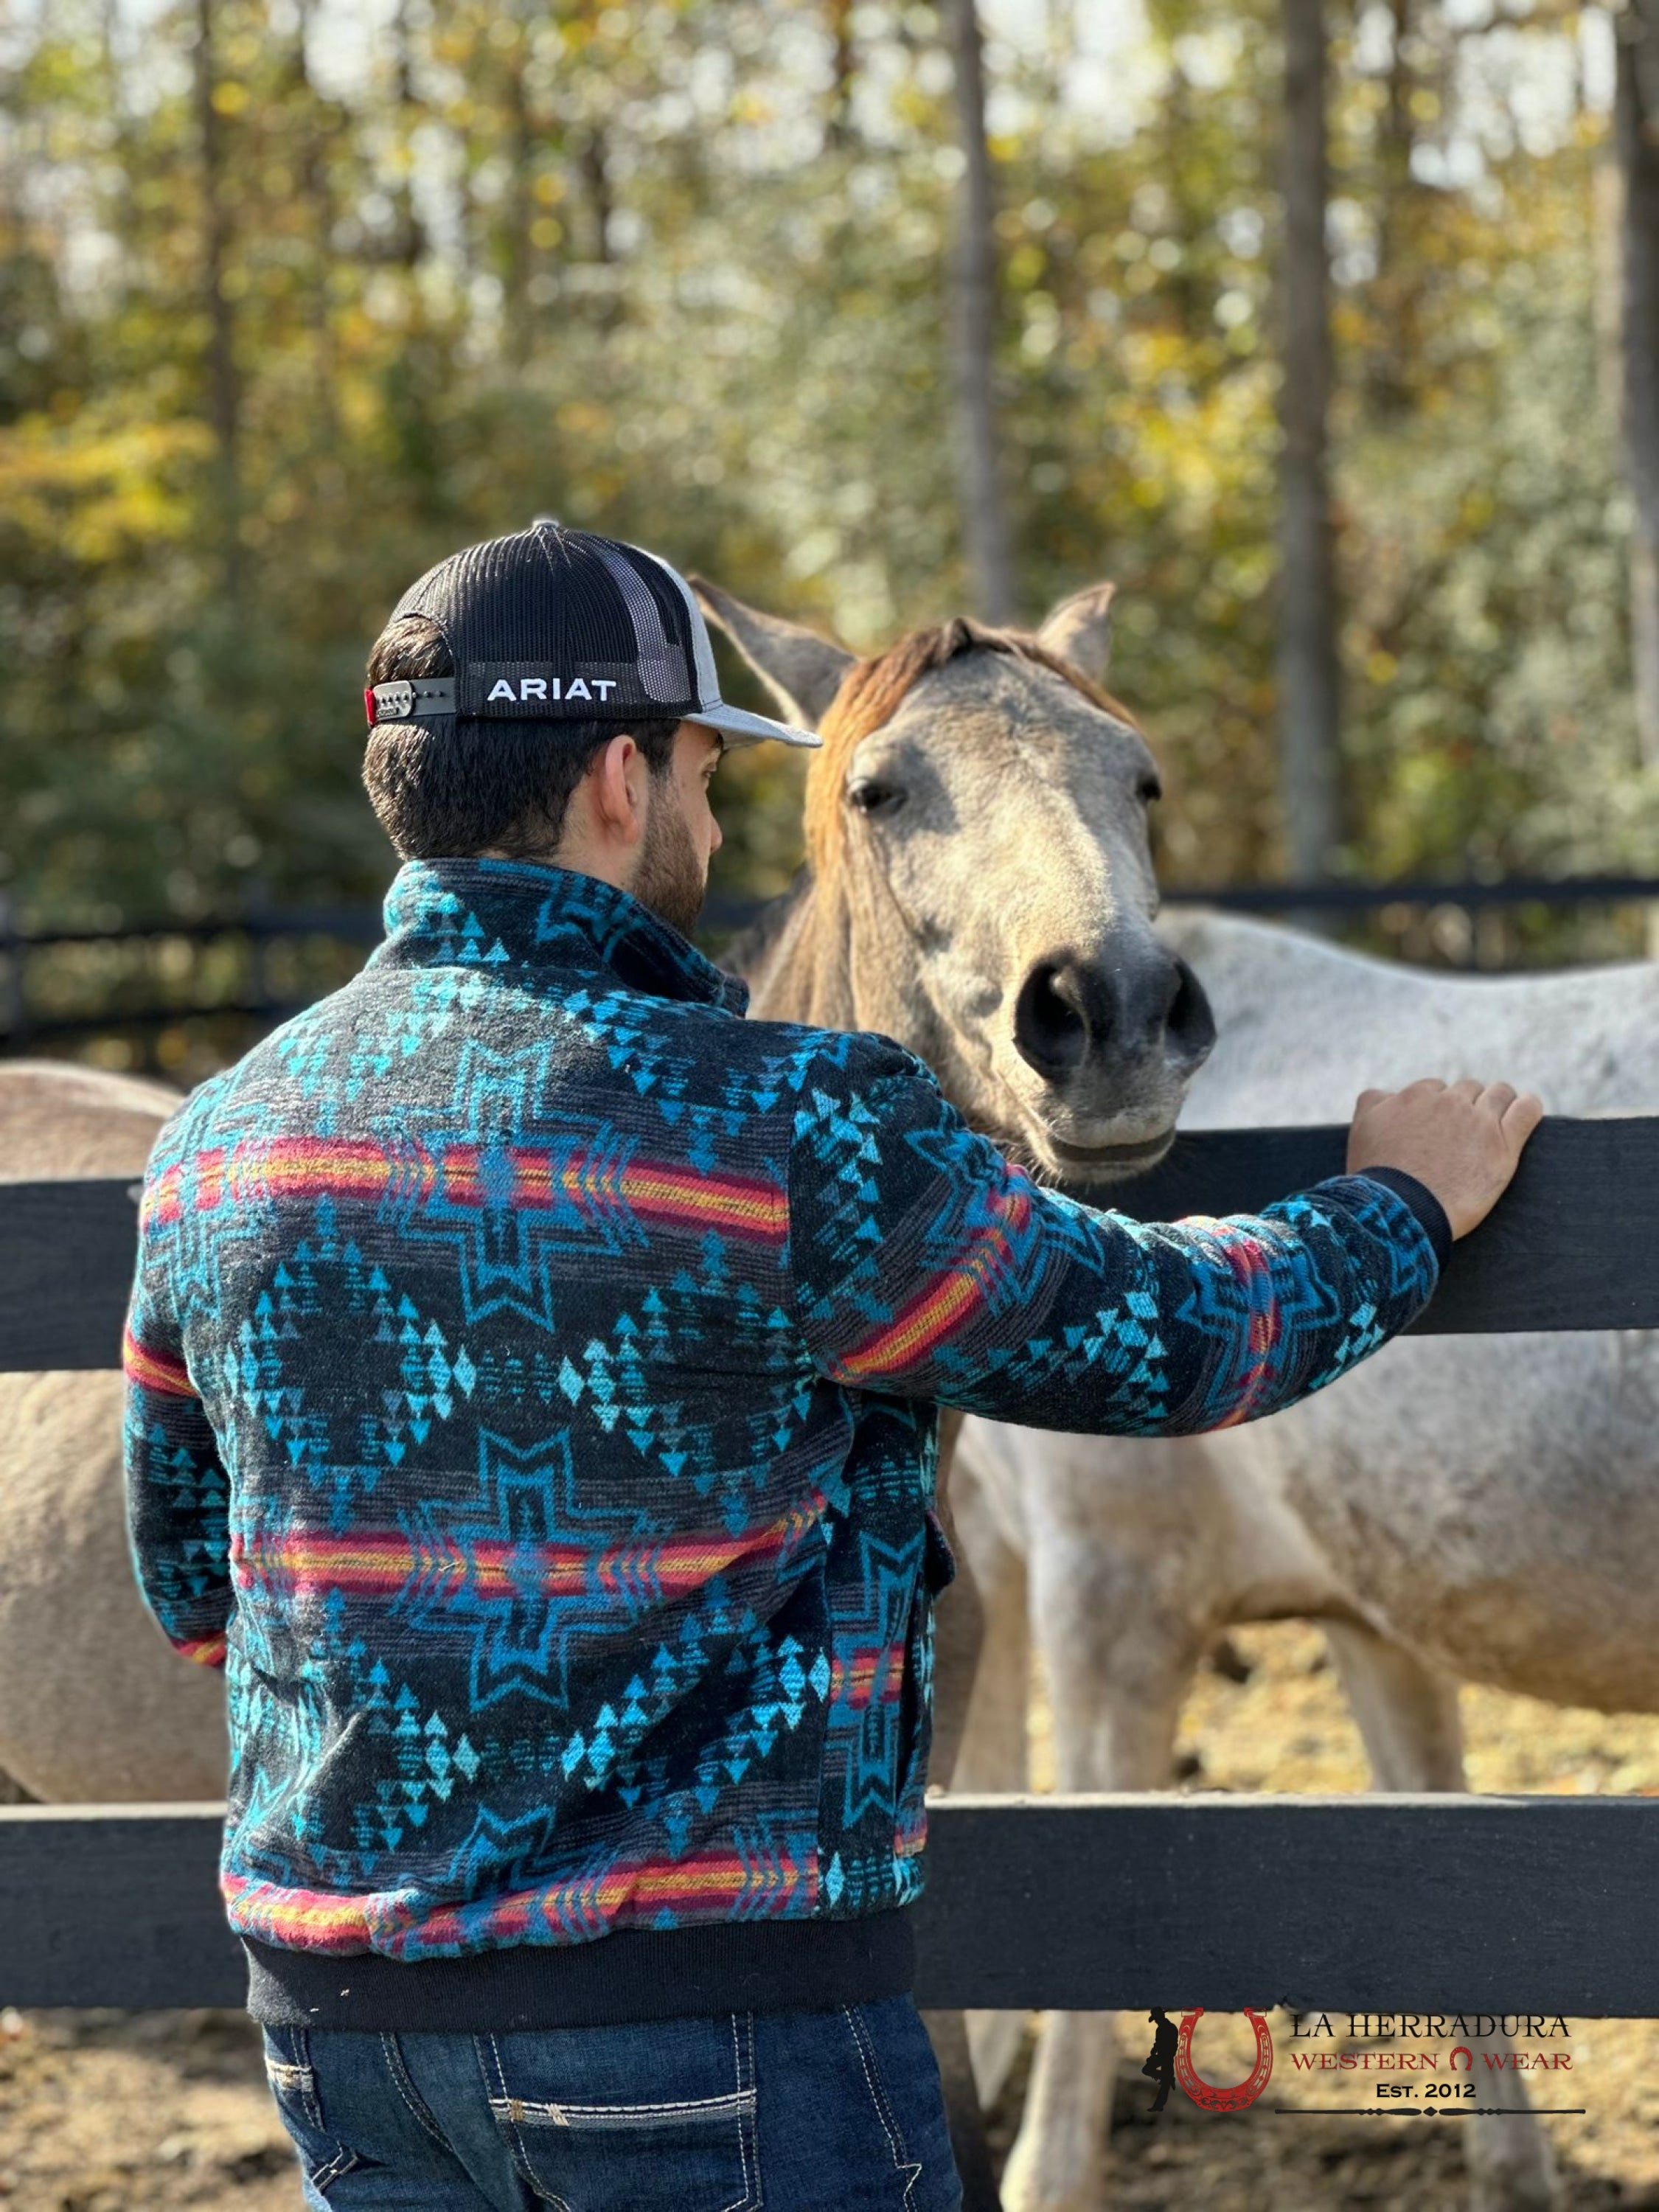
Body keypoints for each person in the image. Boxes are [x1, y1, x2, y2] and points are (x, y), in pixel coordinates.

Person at [122, 520, 1543, 2212]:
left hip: (343, 2041)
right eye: (706, 776)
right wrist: (1401, 1205)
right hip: (708, 2025)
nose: (719, 825)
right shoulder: (783, 1125)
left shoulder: (220, 1143)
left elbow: (192, 1585)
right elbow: (1179, 1342)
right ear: (621, 784)